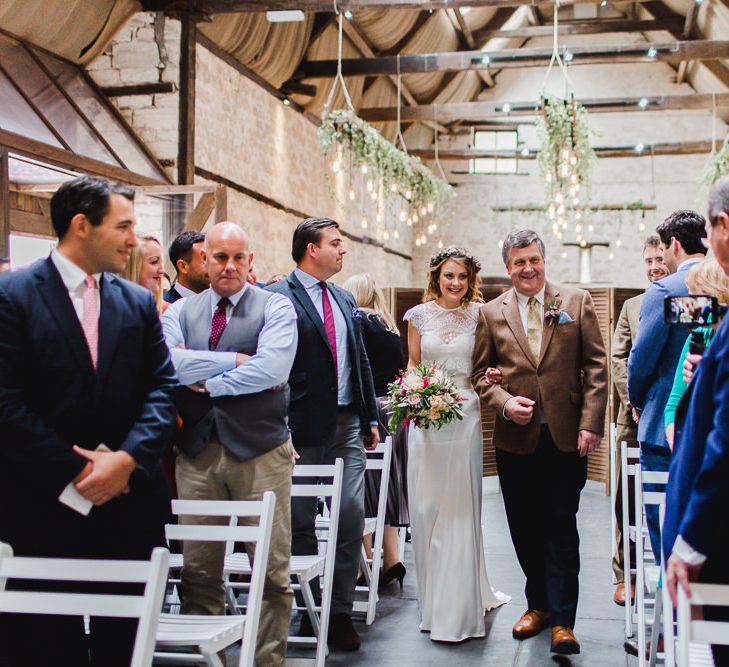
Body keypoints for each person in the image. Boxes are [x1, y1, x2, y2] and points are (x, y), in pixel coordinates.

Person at [0, 175, 177, 666]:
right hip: (41, 506)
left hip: (129, 508)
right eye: (123, 226)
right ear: (81, 226)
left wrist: (125, 460)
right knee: (41, 646)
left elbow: (162, 391)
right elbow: (6, 403)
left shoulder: (138, 303)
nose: (133, 239)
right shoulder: (12, 295)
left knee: (126, 647)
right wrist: (76, 469)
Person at [162, 222, 297, 667]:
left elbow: (272, 370)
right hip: (197, 453)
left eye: (239, 257)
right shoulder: (179, 313)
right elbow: (168, 363)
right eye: (220, 257)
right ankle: (210, 659)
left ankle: (266, 661)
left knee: (272, 570)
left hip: (261, 451)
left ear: (250, 260)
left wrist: (207, 382)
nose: (229, 266)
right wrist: (233, 362)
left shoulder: (276, 308)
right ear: (204, 260)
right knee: (199, 569)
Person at [472, 229, 608, 656]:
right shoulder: (491, 313)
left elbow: (597, 367)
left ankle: (564, 621)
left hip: (566, 435)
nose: (527, 268)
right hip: (516, 438)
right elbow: (480, 376)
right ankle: (539, 607)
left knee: (561, 527)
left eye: (533, 260)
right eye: (518, 262)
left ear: (544, 260)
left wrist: (591, 424)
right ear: (508, 267)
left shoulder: (575, 301)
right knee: (524, 527)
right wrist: (505, 401)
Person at [267, 217, 379, 652]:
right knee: (299, 523)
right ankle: (306, 609)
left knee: (351, 515)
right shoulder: (275, 297)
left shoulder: (345, 297)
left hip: (348, 425)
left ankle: (338, 613)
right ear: (311, 249)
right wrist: (280, 426)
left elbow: (360, 360)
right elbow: (272, 368)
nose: (342, 250)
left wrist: (370, 415)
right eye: (335, 243)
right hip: (299, 428)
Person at [403, 246, 509, 643]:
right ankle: (432, 601)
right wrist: (415, 395)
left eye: (462, 277)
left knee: (460, 508)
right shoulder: (417, 316)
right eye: (449, 275)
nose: (455, 283)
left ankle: (459, 608)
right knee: (428, 507)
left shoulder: (481, 315)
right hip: (426, 420)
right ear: (437, 276)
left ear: (470, 280)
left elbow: (487, 363)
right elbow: (414, 365)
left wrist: (495, 374)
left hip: (464, 414)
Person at [664, 176, 729, 666]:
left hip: (716, 539)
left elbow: (723, 444)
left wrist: (689, 542)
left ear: (722, 227)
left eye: (709, 230)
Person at [628, 210, 707, 562]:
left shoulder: (669, 289)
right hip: (713, 424)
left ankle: (672, 598)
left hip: (665, 424)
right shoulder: (721, 284)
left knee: (666, 522)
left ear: (673, 244)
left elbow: (643, 358)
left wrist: (637, 399)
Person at [611, 235, 668, 606]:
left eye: (659, 258)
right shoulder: (632, 305)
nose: (653, 266)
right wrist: (634, 400)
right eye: (648, 260)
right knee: (627, 500)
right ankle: (627, 574)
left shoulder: (687, 297)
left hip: (674, 415)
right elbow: (619, 357)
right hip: (634, 419)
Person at [343, 273, 409, 588]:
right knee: (388, 485)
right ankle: (393, 558)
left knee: (366, 484)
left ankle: (368, 559)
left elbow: (356, 370)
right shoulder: (388, 326)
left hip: (372, 410)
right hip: (394, 407)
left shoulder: (357, 322)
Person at [663, 258, 729, 448]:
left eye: (695, 296)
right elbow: (674, 404)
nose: (689, 304)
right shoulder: (697, 338)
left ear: (717, 295)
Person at [121, 234, 167, 314]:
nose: (162, 270)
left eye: (162, 262)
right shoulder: (109, 309)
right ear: (133, 266)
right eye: (154, 262)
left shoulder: (169, 311)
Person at [164, 230, 208, 303]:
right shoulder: (163, 308)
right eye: (204, 259)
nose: (212, 266)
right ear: (183, 266)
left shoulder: (220, 304)